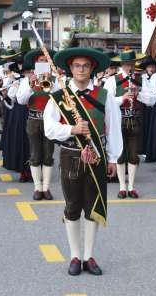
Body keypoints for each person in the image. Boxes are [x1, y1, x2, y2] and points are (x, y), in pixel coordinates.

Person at [43, 47, 121, 276]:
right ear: (70, 69)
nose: (81, 69)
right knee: (72, 206)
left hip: (97, 156)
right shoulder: (59, 96)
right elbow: (48, 128)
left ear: (92, 69)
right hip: (70, 155)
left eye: (85, 66)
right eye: (77, 65)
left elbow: (114, 128)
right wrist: (72, 128)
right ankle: (75, 256)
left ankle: (89, 256)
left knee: (92, 207)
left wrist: (114, 158)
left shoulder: (104, 96)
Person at [17, 48, 58, 199]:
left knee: (48, 154)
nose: (43, 63)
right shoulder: (26, 80)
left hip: (50, 121)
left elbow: (62, 99)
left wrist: (51, 82)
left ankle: (46, 188)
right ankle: (37, 188)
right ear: (35, 63)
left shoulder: (56, 79)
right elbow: (21, 100)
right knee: (35, 155)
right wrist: (30, 84)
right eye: (41, 61)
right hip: (33, 119)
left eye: (46, 60)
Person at [103, 49, 143, 198]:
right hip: (118, 119)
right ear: (121, 64)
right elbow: (106, 101)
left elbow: (152, 99)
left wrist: (140, 94)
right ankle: (121, 187)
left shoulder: (140, 79)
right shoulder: (112, 80)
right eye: (126, 64)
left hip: (135, 119)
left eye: (131, 64)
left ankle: (131, 187)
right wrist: (122, 98)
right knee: (119, 153)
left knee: (133, 154)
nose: (129, 67)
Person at [136, 56, 156, 158]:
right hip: (143, 105)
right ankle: (144, 149)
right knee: (144, 128)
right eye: (149, 67)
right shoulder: (142, 78)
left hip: (155, 106)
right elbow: (141, 91)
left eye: (153, 67)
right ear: (146, 68)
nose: (151, 69)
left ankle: (152, 151)